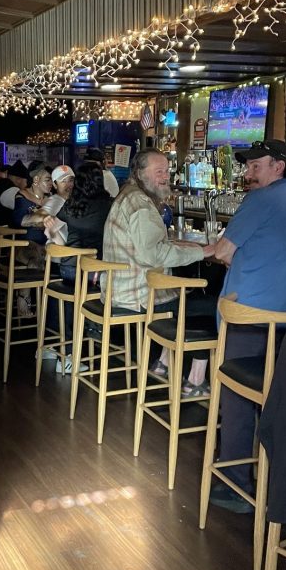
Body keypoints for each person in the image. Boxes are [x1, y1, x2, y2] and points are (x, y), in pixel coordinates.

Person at [206, 138, 286, 512]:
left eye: (256, 166)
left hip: (251, 316)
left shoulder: (259, 200)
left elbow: (222, 251)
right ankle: (283, 482)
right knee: (279, 399)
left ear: (279, 167)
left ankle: (235, 484)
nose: (248, 173)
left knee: (237, 400)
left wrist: (225, 254)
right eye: (248, 166)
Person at [102, 148, 216, 393]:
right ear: (141, 174)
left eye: (167, 170)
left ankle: (163, 364)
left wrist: (189, 246)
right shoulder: (142, 204)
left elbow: (149, 246)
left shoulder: (129, 195)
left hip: (120, 290)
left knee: (185, 296)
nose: (166, 176)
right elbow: (152, 255)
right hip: (139, 297)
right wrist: (203, 252)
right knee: (214, 307)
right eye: (159, 172)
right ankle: (195, 381)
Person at [54, 161, 112, 281]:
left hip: (68, 268)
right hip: (93, 270)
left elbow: (53, 225)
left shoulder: (71, 204)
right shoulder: (110, 205)